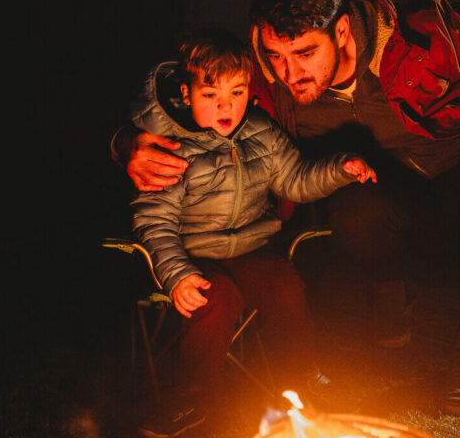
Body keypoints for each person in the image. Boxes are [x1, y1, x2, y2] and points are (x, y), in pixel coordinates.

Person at [112, 0, 460, 416]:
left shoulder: (408, 41)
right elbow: (185, 89)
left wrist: (451, 32)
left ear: (342, 31)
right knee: (354, 201)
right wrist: (126, 142)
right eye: (276, 57)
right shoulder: (260, 80)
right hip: (381, 208)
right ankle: (389, 291)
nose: (289, 74)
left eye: (305, 54)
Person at [127, 29, 376, 437]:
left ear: (249, 90)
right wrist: (177, 274)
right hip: (195, 255)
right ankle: (193, 396)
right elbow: (154, 222)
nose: (227, 107)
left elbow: (295, 179)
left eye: (238, 93)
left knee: (283, 285)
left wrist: (338, 170)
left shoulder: (262, 133)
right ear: (187, 95)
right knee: (215, 298)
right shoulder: (169, 149)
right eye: (211, 96)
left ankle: (300, 382)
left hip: (251, 248)